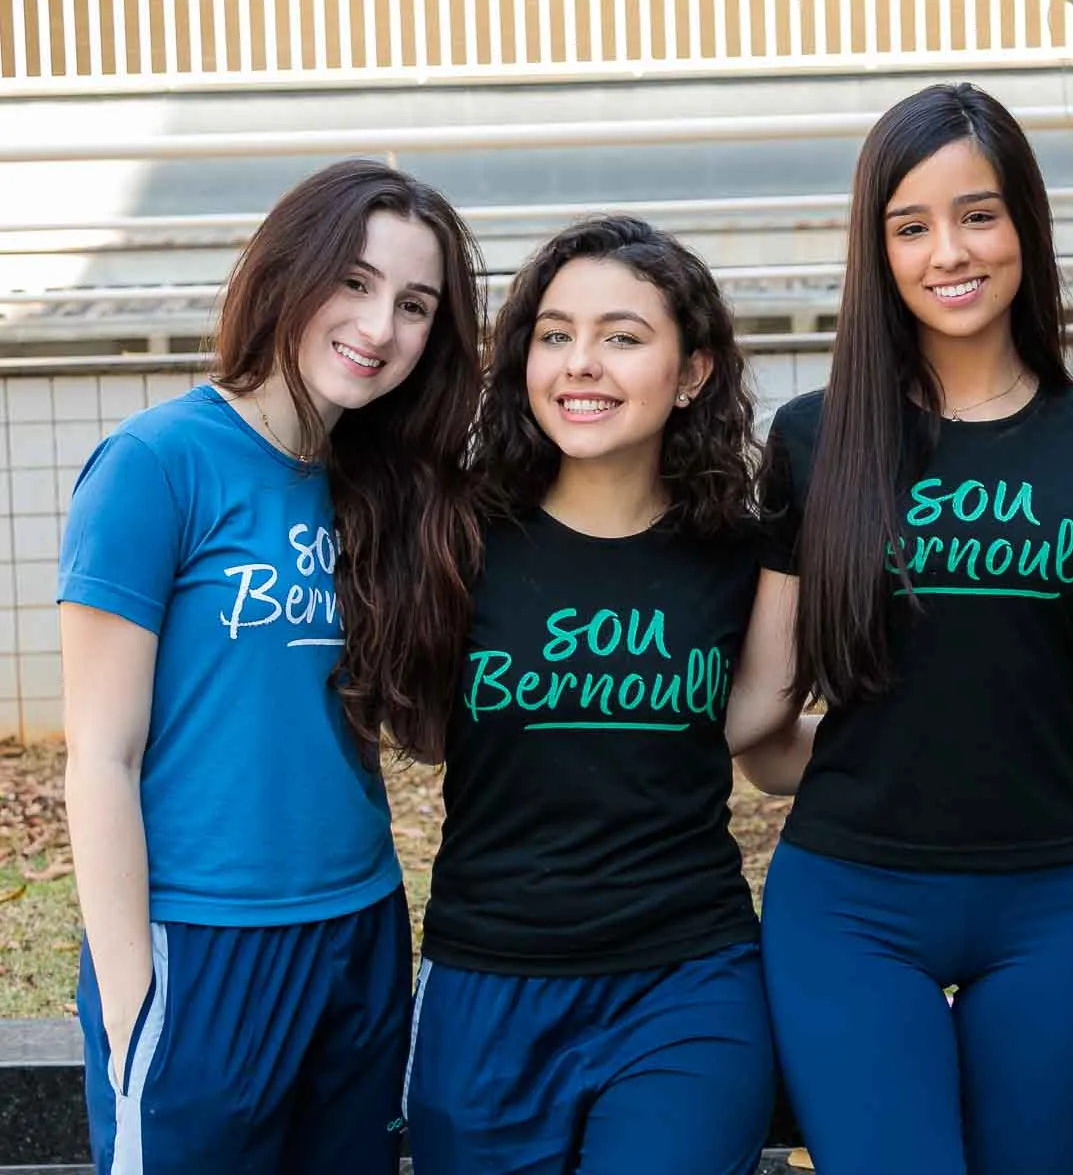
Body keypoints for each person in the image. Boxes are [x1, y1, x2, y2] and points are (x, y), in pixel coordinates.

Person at [726, 81, 1073, 1175]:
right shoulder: (816, 437)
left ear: (1025, 223)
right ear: (877, 250)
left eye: (977, 214)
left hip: (1055, 897)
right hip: (852, 903)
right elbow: (762, 706)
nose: (949, 252)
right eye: (911, 226)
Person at [59, 159, 485, 1173]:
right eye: (354, 281)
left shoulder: (387, 487)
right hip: (197, 944)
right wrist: (131, 996)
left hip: (358, 932)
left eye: (414, 304)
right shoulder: (157, 464)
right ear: (289, 272)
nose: (379, 326)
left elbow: (420, 727)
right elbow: (101, 756)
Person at [402, 215, 779, 1173]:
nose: (581, 364)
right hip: (487, 980)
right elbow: (415, 726)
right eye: (555, 334)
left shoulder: (740, 553)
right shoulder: (455, 538)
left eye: (623, 337)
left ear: (692, 372)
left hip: (684, 981)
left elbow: (762, 727)